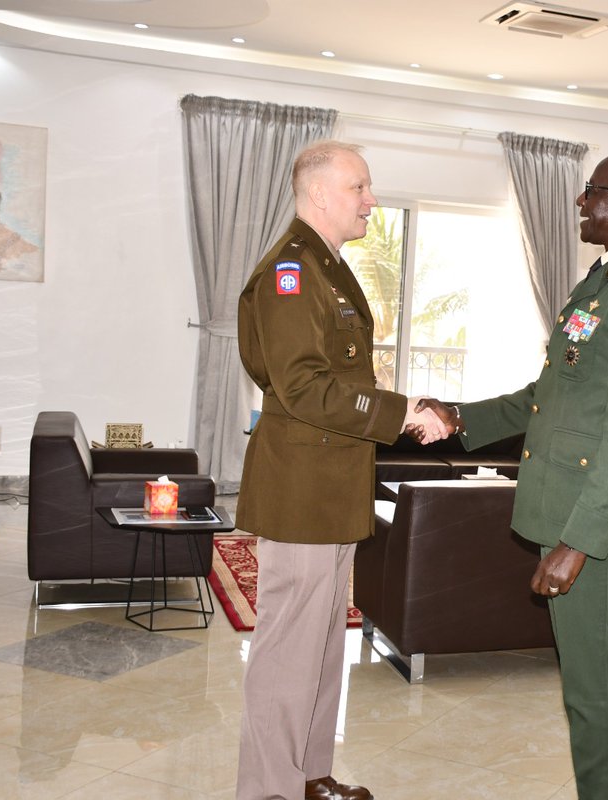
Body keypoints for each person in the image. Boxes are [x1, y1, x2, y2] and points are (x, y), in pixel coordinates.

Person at [419, 148, 608, 799]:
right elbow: (550, 395)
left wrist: (579, 541)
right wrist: (461, 417)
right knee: (587, 688)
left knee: (594, 692)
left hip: (595, 526)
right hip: (571, 511)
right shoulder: (603, 283)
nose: (580, 200)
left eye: (595, 190)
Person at [234, 140, 447, 800]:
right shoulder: (290, 272)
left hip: (328, 487)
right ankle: (269, 789)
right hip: (301, 490)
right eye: (360, 188)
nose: (371, 200)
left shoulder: (326, 268)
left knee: (325, 646)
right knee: (285, 652)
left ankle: (309, 774)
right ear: (320, 192)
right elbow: (304, 387)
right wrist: (400, 409)